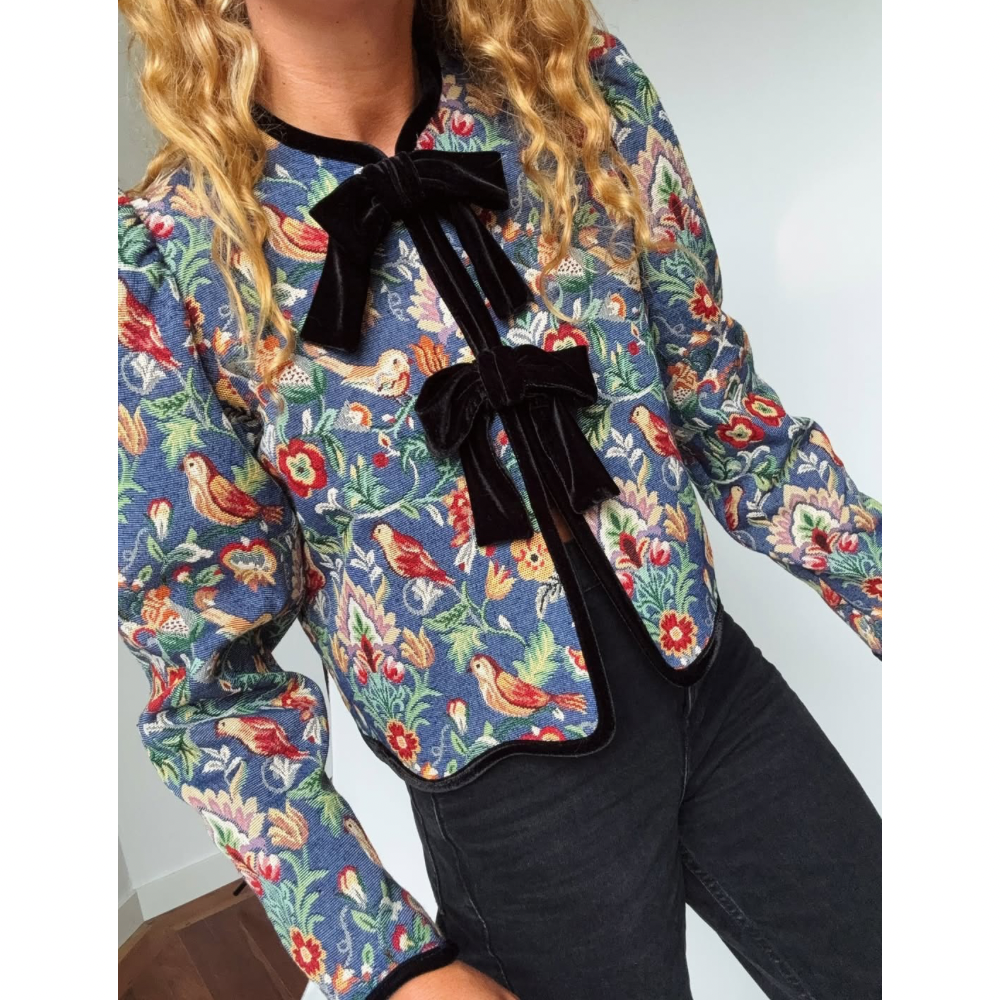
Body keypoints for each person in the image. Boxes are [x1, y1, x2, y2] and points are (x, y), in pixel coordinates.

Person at [117, 1, 882, 998]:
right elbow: (209, 685)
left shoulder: (579, 99)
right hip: (509, 806)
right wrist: (386, 963)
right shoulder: (171, 259)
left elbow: (730, 419)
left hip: (718, 689)